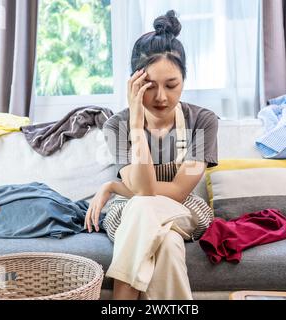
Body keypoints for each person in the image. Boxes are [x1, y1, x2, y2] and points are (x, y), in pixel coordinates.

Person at [84, 10, 218, 300]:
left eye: (171, 85)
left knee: (144, 207)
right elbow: (144, 192)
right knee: (167, 244)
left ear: (185, 79)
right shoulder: (117, 125)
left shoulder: (202, 121)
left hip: (183, 210)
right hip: (129, 210)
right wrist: (135, 122)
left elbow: (177, 192)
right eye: (149, 86)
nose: (161, 97)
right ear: (134, 83)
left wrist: (114, 186)